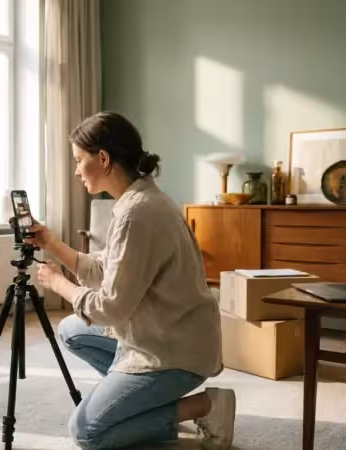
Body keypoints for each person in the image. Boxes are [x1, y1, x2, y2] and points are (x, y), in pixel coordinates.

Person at [29, 111, 235, 450]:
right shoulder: (138, 200)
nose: (77, 170)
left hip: (174, 351)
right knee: (71, 330)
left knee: (87, 432)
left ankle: (206, 406)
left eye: (80, 160)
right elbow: (104, 270)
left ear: (104, 159)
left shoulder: (137, 213)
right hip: (163, 332)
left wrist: (57, 284)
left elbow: (111, 307)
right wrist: (51, 243)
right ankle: (136, 402)